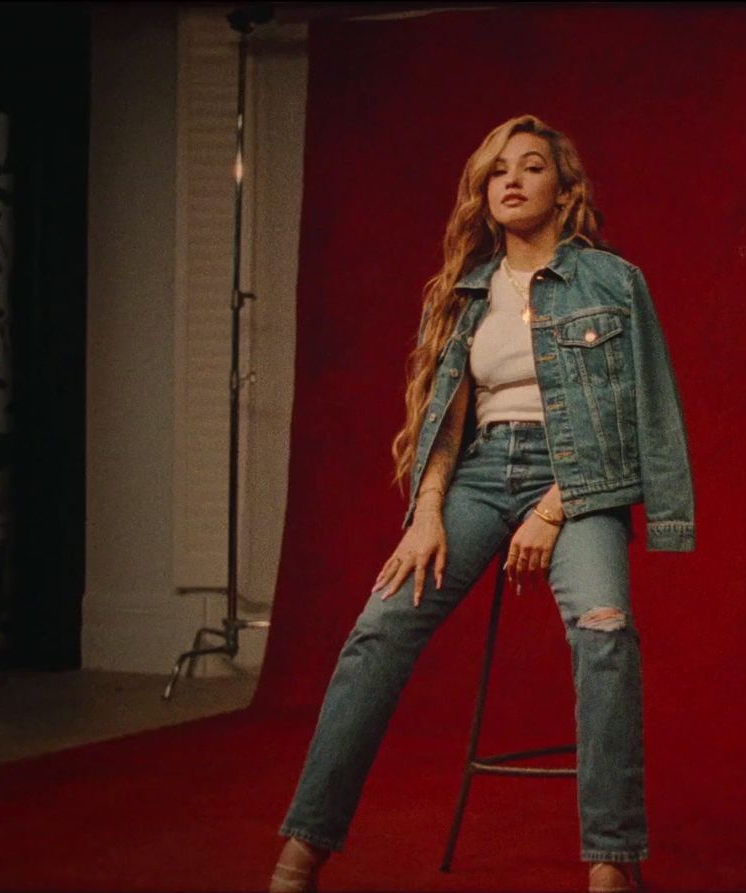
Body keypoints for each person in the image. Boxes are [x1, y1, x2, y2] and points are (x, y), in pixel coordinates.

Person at [270, 114, 695, 893]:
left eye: (532, 167)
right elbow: (444, 416)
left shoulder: (614, 281)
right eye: (498, 169)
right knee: (376, 630)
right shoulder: (464, 292)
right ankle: (301, 855)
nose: (511, 180)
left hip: (579, 483)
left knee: (607, 631)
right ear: (482, 189)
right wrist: (427, 509)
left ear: (564, 192)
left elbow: (645, 413)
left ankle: (610, 862)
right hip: (476, 475)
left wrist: (555, 508)